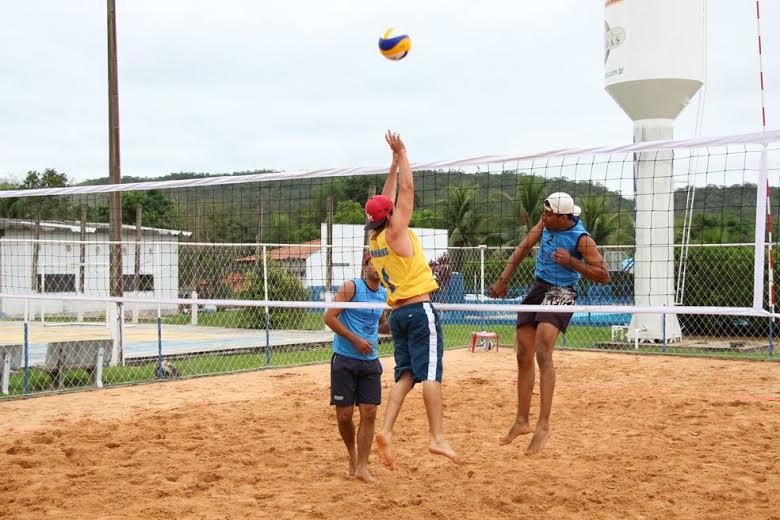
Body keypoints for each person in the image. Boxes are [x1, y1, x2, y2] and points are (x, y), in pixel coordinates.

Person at [365, 130, 462, 469]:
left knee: (405, 376)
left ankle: (387, 431)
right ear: (390, 216)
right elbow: (406, 191)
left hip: (398, 316)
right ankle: (436, 437)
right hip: (419, 311)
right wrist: (404, 153)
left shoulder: (375, 241)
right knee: (431, 374)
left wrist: (392, 165)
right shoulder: (396, 231)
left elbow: (387, 196)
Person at [488, 192, 609, 454]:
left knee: (543, 349)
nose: (542, 217)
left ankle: (543, 425)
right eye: (543, 213)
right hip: (539, 287)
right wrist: (503, 280)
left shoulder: (582, 239)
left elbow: (604, 275)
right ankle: (522, 421)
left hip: (563, 290)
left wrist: (572, 262)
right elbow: (522, 248)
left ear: (563, 217)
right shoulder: (544, 225)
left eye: (548, 214)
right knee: (522, 353)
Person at [323, 252, 390, 483]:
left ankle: (362, 466)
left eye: (382, 264)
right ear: (366, 265)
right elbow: (329, 317)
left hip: (370, 361)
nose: (378, 267)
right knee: (344, 416)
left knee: (369, 413)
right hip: (345, 357)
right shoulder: (351, 287)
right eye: (374, 263)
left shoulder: (384, 294)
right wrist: (355, 340)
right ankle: (352, 455)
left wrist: (402, 322)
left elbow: (381, 326)